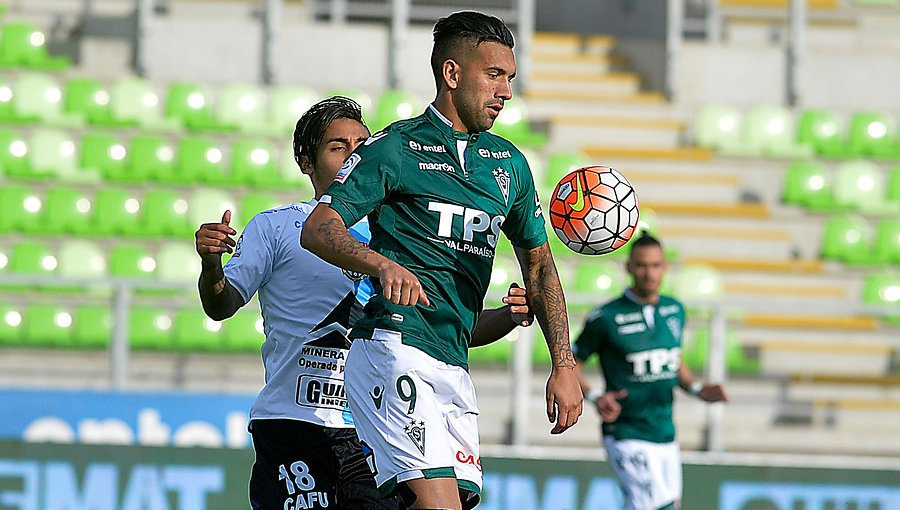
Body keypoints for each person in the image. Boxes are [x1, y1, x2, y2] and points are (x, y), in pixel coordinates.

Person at [300, 11, 583, 510]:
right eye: (494, 75)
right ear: (452, 75)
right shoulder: (395, 147)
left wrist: (563, 362)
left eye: (511, 78)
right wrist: (380, 265)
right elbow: (318, 228)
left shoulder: (509, 165)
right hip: (394, 346)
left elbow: (538, 267)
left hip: (454, 363)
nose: (506, 92)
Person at [194, 96, 534, 510]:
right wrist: (212, 265)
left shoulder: (398, 227)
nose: (354, 153)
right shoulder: (278, 226)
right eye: (338, 146)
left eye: (362, 143)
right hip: (296, 423)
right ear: (306, 161)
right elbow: (222, 304)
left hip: (375, 423)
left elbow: (439, 330)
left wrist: (508, 316)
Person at [572, 233, 729, 510]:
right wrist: (596, 397)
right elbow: (570, 366)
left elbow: (672, 360)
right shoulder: (606, 317)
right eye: (642, 265)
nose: (649, 273)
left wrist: (696, 388)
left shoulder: (674, 310)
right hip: (627, 430)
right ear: (629, 268)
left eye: (656, 265)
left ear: (665, 267)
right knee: (658, 507)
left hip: (665, 432)